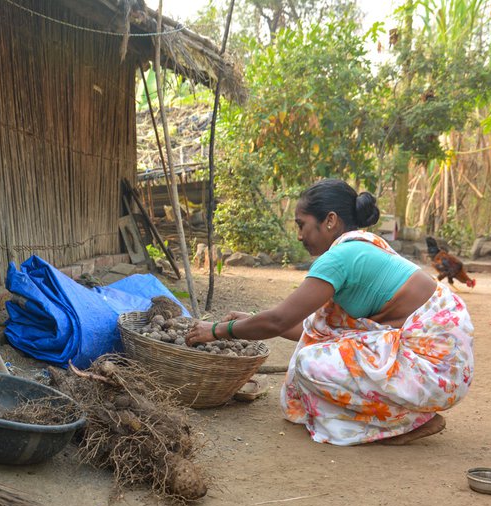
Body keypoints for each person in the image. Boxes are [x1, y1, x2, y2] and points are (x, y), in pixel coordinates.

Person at [185, 179, 474, 446]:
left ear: (330, 221)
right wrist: (248, 321)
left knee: (309, 362)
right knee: (318, 351)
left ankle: (405, 423)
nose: (299, 235)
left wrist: (214, 332)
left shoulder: (340, 258)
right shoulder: (357, 249)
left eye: (302, 225)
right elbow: (311, 329)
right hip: (444, 364)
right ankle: (404, 417)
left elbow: (279, 320)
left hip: (434, 365)